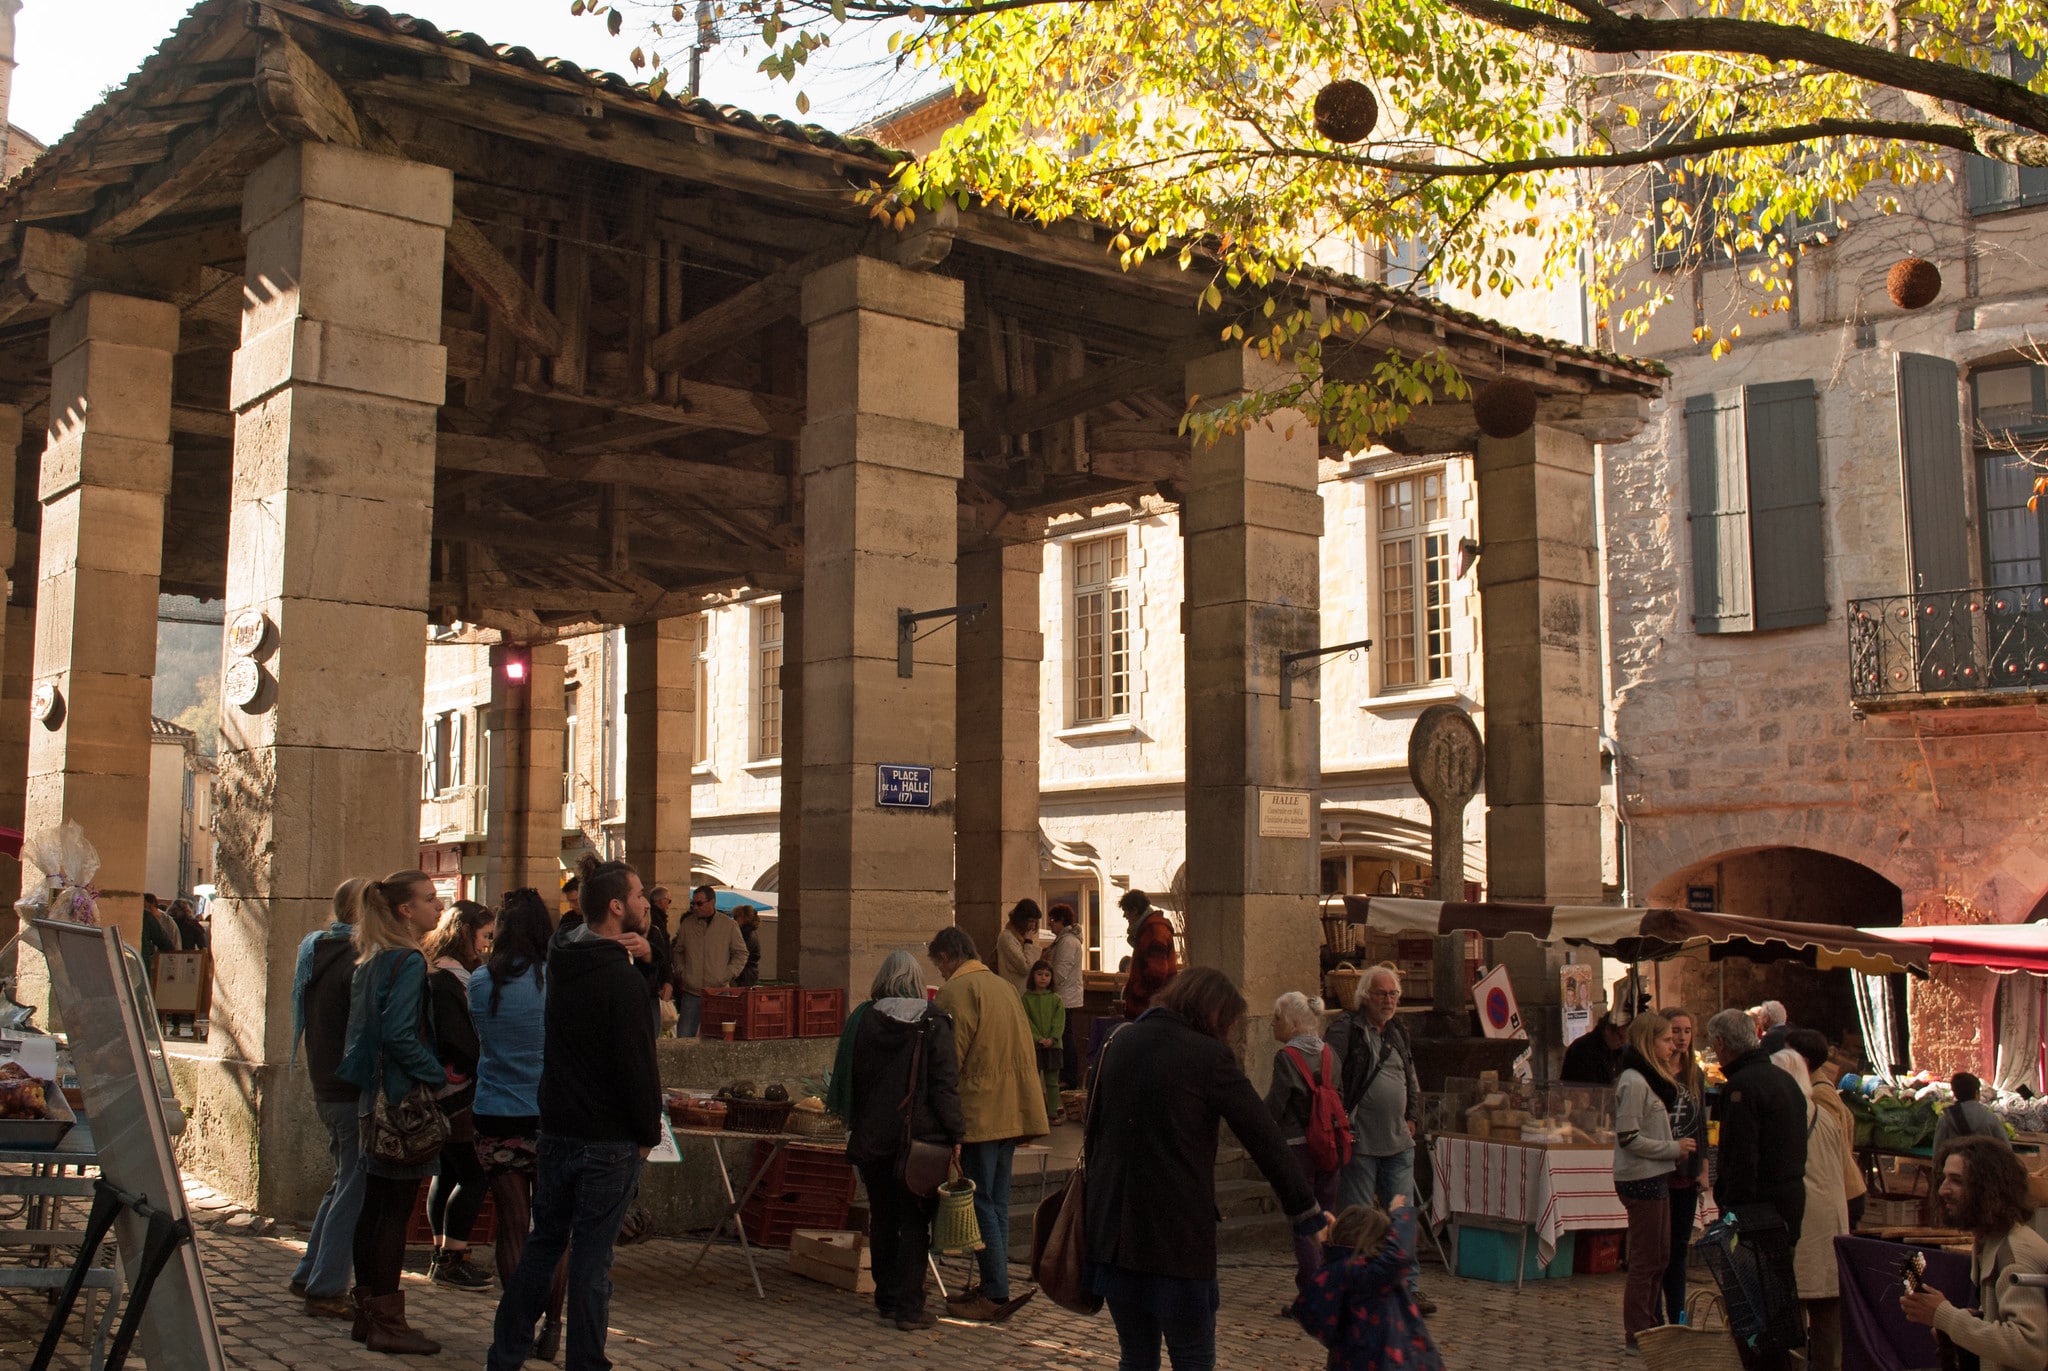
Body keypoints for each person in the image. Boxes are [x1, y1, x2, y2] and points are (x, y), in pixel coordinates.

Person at [1085, 967, 1326, 1370]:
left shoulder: (1118, 1041)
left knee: (1136, 1356)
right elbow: (1264, 1136)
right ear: (1215, 1015)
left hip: (1114, 1233)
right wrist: (1306, 1213)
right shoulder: (1208, 1056)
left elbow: (1093, 1132)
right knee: (1192, 1356)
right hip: (1176, 1239)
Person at [487, 856, 661, 1371]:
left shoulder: (562, 960)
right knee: (590, 1263)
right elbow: (637, 1065)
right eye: (637, 896)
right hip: (605, 1140)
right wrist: (647, 1132)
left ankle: (506, 1354)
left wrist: (649, 958)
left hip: (558, 1129)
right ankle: (586, 1362)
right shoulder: (620, 981)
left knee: (543, 1247)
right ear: (615, 907)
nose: (645, 902)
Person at [336, 870, 448, 1356]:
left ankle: (370, 1315)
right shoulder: (406, 960)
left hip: (373, 1099)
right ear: (405, 910)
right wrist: (438, 1074)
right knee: (391, 1212)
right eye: (428, 898)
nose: (438, 905)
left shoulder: (374, 959)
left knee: (376, 1207)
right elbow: (400, 1036)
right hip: (400, 1101)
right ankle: (385, 1321)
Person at [927, 924, 1047, 1322]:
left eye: (939, 965)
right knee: (997, 1202)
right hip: (1011, 1110)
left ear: (947, 957)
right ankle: (996, 1286)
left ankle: (996, 1290)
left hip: (980, 1112)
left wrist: (946, 1118)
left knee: (981, 1203)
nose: (940, 974)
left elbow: (949, 1059)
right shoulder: (1002, 986)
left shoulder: (956, 992)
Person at [470, 888, 568, 1363]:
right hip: (550, 1116)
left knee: (513, 1226)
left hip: (495, 1113)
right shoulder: (556, 981)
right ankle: (554, 1322)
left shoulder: (479, 983)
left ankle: (518, 1326)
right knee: (554, 1228)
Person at [845, 951, 966, 1331]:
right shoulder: (933, 1022)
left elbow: (855, 1077)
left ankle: (887, 1296)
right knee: (914, 1222)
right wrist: (957, 1133)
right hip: (919, 1137)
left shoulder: (866, 1019)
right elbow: (944, 1086)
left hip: (873, 1134)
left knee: (882, 1216)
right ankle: (910, 1306)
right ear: (917, 981)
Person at [1324, 965, 1430, 1312]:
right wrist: (1340, 1125)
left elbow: (1410, 1075)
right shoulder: (1346, 1029)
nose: (1388, 1000)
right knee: (1356, 1221)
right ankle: (1354, 1288)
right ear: (1365, 996)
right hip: (1361, 1142)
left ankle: (1406, 1288)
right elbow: (1331, 1079)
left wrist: (1412, 1116)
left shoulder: (1398, 1031)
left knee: (1401, 1219)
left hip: (1398, 1143)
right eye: (1382, 993)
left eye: (1393, 994)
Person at [289, 878, 372, 1320]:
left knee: (342, 1181)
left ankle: (310, 1271)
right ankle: (326, 1287)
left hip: (326, 1083)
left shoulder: (318, 948)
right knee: (352, 1190)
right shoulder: (355, 958)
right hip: (347, 1089)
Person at [1902, 1135, 2048, 1371]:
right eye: (1944, 1178)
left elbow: (2031, 1350)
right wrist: (1962, 1325)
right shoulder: (1989, 1242)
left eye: (1956, 1181)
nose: (1942, 1190)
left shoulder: (2016, 1256)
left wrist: (1946, 1316)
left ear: (1988, 1189)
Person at [422, 900, 495, 1290]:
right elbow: (457, 1039)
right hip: (457, 1093)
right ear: (465, 932)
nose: (486, 945)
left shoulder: (453, 975)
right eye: (483, 936)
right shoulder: (446, 980)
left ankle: (442, 1254)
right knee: (472, 1173)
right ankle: (453, 1257)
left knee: (450, 1171)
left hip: (452, 1091)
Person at [1612, 1011, 1697, 1349]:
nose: (1672, 1044)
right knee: (1647, 1259)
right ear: (1650, 1042)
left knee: (1661, 1256)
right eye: (1665, 1039)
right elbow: (1628, 1136)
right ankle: (1638, 1329)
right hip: (1641, 1178)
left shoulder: (1649, 1079)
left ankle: (1651, 1321)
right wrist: (1670, 1149)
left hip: (1656, 1176)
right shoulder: (1633, 1081)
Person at [1292, 1197, 1443, 1371]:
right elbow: (1399, 1255)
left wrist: (1330, 1245)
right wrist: (1401, 1215)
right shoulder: (1371, 1273)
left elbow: (1309, 1309)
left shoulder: (1339, 1270)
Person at [1705, 1007, 1807, 1242]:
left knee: (1750, 1276)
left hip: (1757, 1207)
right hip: (1789, 1198)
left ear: (1721, 1042)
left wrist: (1729, 1203)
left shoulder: (1742, 1086)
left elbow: (1741, 1153)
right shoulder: (1784, 1079)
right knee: (1778, 1275)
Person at [1265, 990, 1343, 1298]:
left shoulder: (1286, 1058)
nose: (1273, 1024)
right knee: (1327, 1212)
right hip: (1329, 1144)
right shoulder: (1330, 1054)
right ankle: (1330, 1281)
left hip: (1298, 1146)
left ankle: (1311, 1289)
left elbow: (1276, 1104)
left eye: (1277, 1018)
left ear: (1294, 1023)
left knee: (1303, 1218)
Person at [1786, 1029, 1853, 1371]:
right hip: (1826, 1218)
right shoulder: (1820, 1102)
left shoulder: (1815, 1103)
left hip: (1813, 1219)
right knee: (1823, 1304)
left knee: (1808, 1306)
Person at [1659, 1008, 1710, 1326]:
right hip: (1658, 1170)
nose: (1681, 1037)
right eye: (1675, 1031)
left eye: (1687, 1031)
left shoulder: (1695, 1073)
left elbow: (1700, 1125)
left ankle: (1677, 1315)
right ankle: (1652, 1315)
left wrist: (1703, 1167)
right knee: (1657, 1249)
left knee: (1679, 1248)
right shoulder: (1654, 1072)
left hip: (1686, 1173)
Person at [669, 885, 748, 1038]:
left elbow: (741, 953)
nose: (695, 907)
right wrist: (682, 972)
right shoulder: (687, 924)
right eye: (693, 904)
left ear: (712, 902)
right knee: (684, 1036)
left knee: (719, 1037)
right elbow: (678, 951)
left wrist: (726, 974)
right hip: (692, 991)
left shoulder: (729, 925)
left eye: (699, 903)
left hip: (718, 991)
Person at [1020, 959, 1066, 1124]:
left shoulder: (1056, 999)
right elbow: (1026, 1021)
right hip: (1034, 1045)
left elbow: (1059, 1021)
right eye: (1039, 974)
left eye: (1047, 975)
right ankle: (1033, 1114)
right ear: (1033, 976)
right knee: (1033, 1081)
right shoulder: (1026, 999)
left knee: (1052, 1081)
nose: (1043, 978)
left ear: (1051, 978)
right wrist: (1038, 1039)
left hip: (1053, 1045)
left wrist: (1052, 1038)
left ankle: (1052, 1112)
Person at [1119, 890, 1178, 1018]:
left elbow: (1156, 975)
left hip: (1147, 1009)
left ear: (1134, 910)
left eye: (1126, 912)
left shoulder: (1153, 931)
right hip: (1152, 1007)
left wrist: (1136, 992)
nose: (1125, 916)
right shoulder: (1152, 929)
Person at [1045, 904, 1086, 1090]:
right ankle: (1067, 1077)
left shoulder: (1067, 943)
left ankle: (1068, 1078)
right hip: (1067, 996)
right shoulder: (1065, 940)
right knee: (1065, 1036)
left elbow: (1060, 972)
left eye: (1052, 920)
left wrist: (1047, 984)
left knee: (1065, 1038)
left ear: (1062, 921)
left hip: (1064, 997)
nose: (1050, 924)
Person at [1936, 1073, 2015, 1154]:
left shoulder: (1945, 1120)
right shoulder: (1991, 1119)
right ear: (1977, 1093)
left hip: (1955, 1165)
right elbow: (2007, 1150)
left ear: (1954, 1093)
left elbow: (1938, 1153)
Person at [1562, 1012, 1629, 1085]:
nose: (1623, 1042)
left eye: (1626, 1038)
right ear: (1608, 1030)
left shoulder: (1615, 1051)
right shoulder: (1583, 1049)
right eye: (1620, 1037)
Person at [996, 899, 1042, 992]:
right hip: (1014, 992)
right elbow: (1026, 967)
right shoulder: (1007, 937)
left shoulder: (1023, 936)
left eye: (1035, 922)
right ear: (1021, 920)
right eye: (1030, 921)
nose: (1033, 926)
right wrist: (1028, 943)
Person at [642, 885, 677, 1005]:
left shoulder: (659, 920)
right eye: (668, 901)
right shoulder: (656, 924)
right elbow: (662, 952)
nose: (669, 905)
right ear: (660, 901)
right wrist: (666, 979)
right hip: (654, 983)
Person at [733, 905, 763, 987]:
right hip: (749, 974)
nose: (734, 920)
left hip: (744, 975)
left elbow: (740, 952)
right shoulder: (751, 933)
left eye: (735, 917)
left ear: (743, 918)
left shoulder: (746, 934)